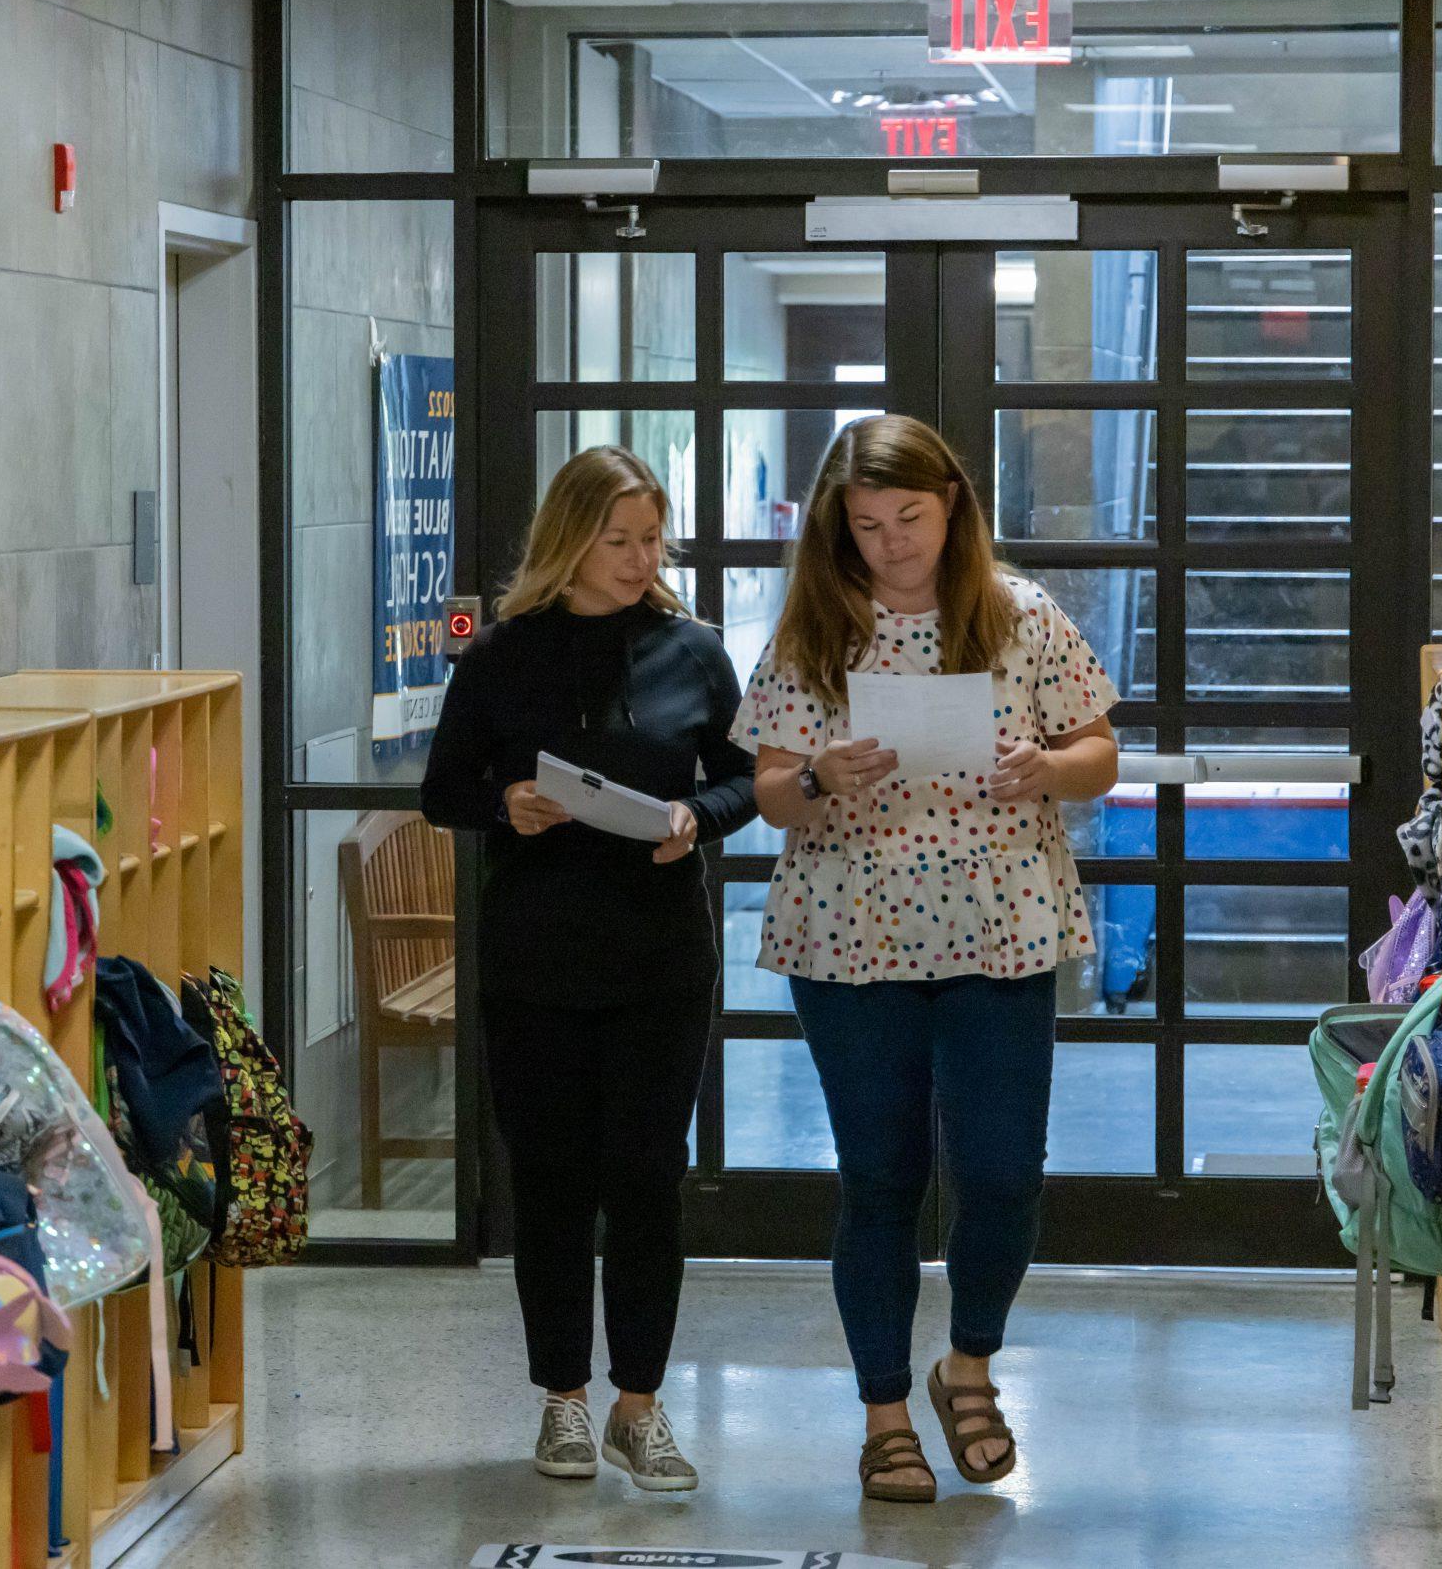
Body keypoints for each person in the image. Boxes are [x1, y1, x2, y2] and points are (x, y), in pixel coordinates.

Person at [733, 414, 1120, 1503]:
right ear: (837, 531)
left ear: (952, 507)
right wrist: (819, 778)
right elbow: (768, 785)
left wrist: (1046, 767)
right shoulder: (815, 633)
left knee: (1000, 1173)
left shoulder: (1017, 614)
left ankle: (969, 1364)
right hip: (852, 934)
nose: (893, 542)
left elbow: (1098, 749)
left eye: (910, 517)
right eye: (867, 526)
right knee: (881, 1179)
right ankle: (884, 1413)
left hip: (1000, 926)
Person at [419, 445, 759, 1493]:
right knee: (554, 1185)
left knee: (648, 1184)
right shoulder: (503, 655)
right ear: (569, 538)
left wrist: (691, 820)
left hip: (658, 957)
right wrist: (508, 804)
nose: (638, 556)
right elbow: (443, 791)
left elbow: (745, 780)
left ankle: (639, 1406)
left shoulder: (692, 650)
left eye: (652, 537)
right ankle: (562, 1400)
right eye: (618, 539)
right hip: (535, 960)